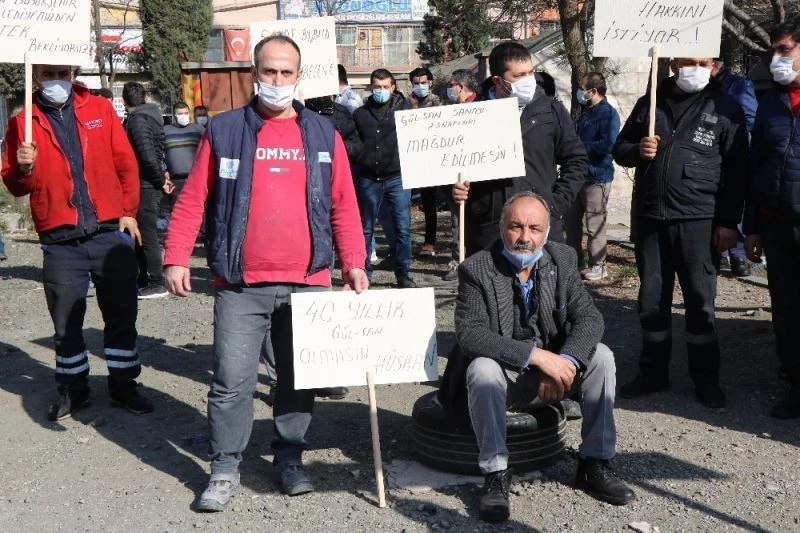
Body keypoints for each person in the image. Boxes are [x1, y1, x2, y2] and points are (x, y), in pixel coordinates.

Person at [163, 34, 368, 510]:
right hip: (241, 282)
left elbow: (343, 206)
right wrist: (176, 254)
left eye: (286, 72)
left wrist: (354, 262)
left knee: (296, 379)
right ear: (255, 73)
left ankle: (290, 458)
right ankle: (224, 467)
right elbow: (194, 198)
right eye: (269, 71)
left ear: (299, 76)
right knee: (231, 380)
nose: (277, 81)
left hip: (308, 280)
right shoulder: (225, 129)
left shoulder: (323, 133)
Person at [439, 192, 635, 522]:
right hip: (508, 375)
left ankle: (593, 463)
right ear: (502, 227)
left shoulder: (562, 259)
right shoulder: (476, 269)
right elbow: (470, 334)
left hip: (554, 374)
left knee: (600, 357)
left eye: (534, 228)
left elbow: (589, 317)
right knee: (482, 369)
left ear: (546, 231)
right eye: (516, 226)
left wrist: (568, 361)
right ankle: (496, 473)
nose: (525, 237)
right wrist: (539, 357)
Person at [1, 62, 153, 421]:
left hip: (108, 232)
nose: (56, 81)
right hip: (60, 238)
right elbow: (14, 184)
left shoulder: (99, 109)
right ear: (35, 76)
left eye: (62, 74)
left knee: (121, 313)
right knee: (66, 320)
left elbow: (126, 164)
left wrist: (128, 210)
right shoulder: (22, 123)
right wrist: (23, 167)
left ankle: (124, 385)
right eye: (48, 74)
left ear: (73, 73)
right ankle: (74, 389)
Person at [613, 57, 749, 408]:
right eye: (688, 61)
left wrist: (728, 223)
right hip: (651, 218)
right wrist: (637, 151)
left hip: (699, 221)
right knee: (651, 300)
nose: (695, 67)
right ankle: (653, 372)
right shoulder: (651, 102)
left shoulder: (725, 108)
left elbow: (737, 173)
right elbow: (620, 148)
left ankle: (705, 379)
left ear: (715, 64)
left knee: (700, 303)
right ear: (673, 62)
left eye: (703, 62)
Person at [452, 41, 588, 255]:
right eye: (518, 76)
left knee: (542, 287)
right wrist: (456, 188)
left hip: (539, 226)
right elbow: (450, 167)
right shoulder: (472, 115)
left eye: (530, 72)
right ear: (498, 80)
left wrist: (554, 205)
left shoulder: (552, 111)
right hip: (489, 228)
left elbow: (577, 161)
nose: (528, 80)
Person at [744, 19, 800, 419]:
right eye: (773, 51)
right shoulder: (770, 103)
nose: (776, 59)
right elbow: (756, 164)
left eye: (784, 50)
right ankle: (794, 382)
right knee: (786, 306)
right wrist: (754, 224)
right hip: (777, 220)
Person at [353, 68, 417, 288]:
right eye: (377, 87)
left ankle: (403, 273)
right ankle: (365, 274)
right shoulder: (360, 114)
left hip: (397, 178)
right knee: (366, 228)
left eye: (385, 87)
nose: (381, 90)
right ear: (371, 87)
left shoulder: (405, 111)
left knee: (402, 227)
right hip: (368, 178)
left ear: (393, 87)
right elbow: (354, 144)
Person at [565, 72, 620, 281]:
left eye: (583, 88)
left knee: (595, 223)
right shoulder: (586, 112)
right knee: (571, 222)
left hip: (597, 177)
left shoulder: (608, 114)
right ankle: (573, 262)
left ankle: (599, 265)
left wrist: (578, 148)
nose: (580, 92)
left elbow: (609, 144)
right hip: (577, 176)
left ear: (594, 91)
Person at [122, 82, 171, 299]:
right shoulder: (150, 116)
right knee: (140, 233)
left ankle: (156, 281)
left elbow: (147, 155)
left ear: (124, 101)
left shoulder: (138, 120)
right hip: (148, 182)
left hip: (146, 184)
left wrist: (160, 180)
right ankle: (144, 279)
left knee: (147, 234)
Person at [712, 59, 758, 278]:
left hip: (733, 151)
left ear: (715, 63)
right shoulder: (703, 89)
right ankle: (720, 253)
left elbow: (750, 118)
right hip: (710, 155)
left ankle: (738, 255)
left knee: (735, 202)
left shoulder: (739, 85)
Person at [441, 69, 483, 282]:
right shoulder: (449, 112)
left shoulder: (483, 108)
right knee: (457, 223)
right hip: (456, 180)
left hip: (482, 182)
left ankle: (479, 264)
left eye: (451, 85)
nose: (449, 89)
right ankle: (458, 262)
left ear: (461, 86)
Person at [408, 66, 443, 259]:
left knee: (429, 204)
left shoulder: (437, 103)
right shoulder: (405, 102)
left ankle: (429, 242)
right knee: (403, 204)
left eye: (423, 83)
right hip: (408, 159)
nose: (420, 86)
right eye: (416, 83)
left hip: (429, 160)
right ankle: (405, 241)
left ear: (430, 82)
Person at [163, 101, 205, 213]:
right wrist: (164, 170)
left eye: (186, 113)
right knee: (178, 210)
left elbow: (206, 151)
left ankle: (201, 231)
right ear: (174, 115)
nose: (184, 116)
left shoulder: (199, 130)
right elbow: (159, 152)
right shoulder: (165, 131)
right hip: (176, 180)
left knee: (199, 209)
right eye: (180, 114)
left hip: (196, 177)